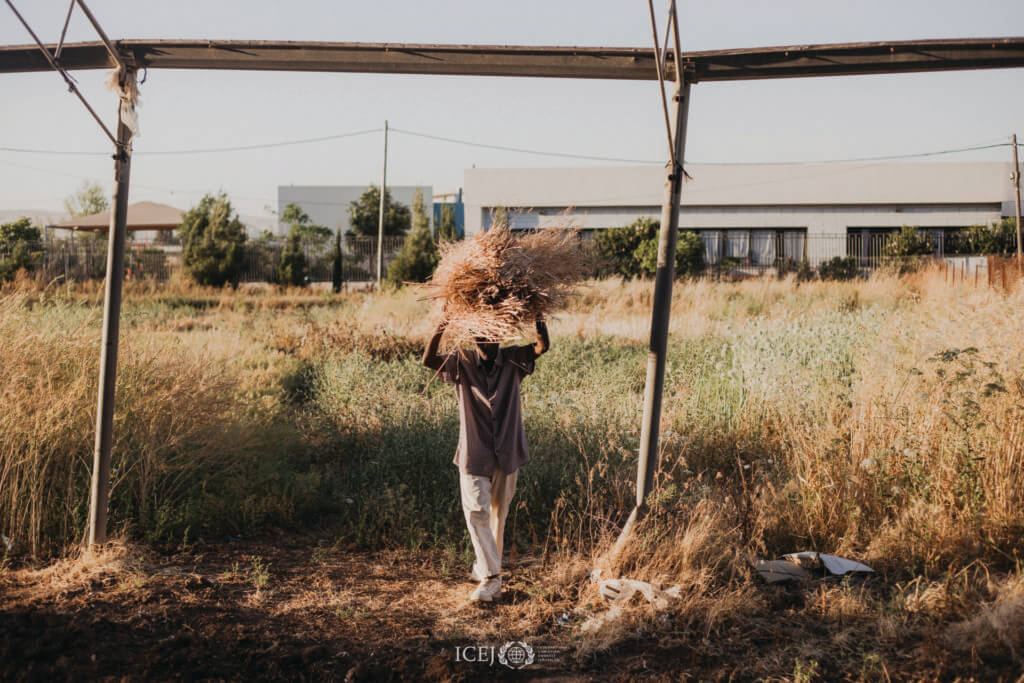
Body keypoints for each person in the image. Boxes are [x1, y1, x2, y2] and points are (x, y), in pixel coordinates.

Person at [422, 315, 550, 602]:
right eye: (480, 337)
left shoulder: (514, 358)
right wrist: (441, 326)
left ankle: (483, 566)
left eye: (492, 336)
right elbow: (428, 360)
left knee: (497, 517)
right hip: (474, 452)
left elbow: (543, 346)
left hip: (507, 450)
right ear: (472, 338)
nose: (486, 342)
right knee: (476, 512)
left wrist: (538, 316)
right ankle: (493, 578)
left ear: (500, 336)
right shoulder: (461, 361)